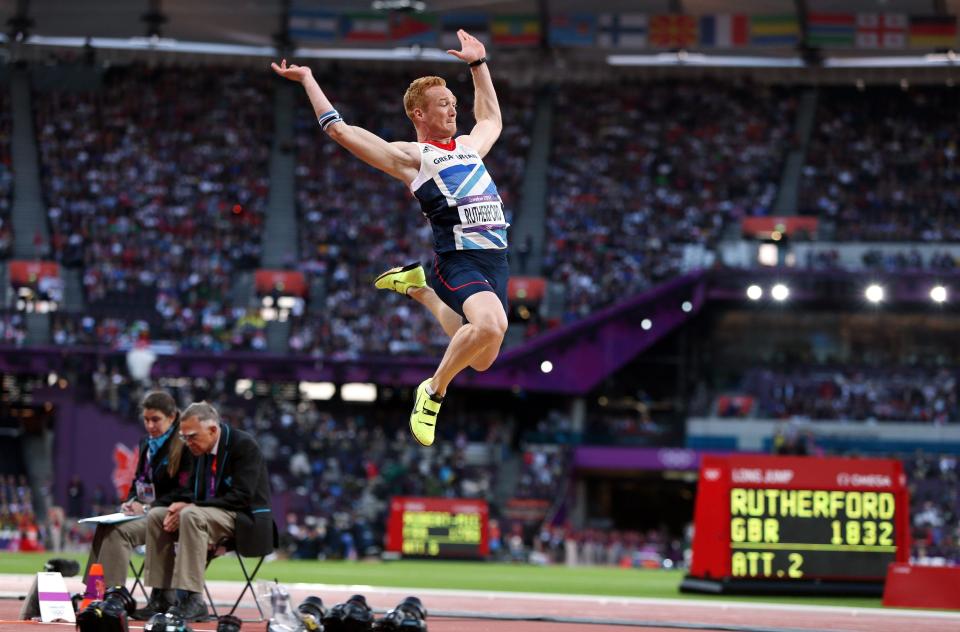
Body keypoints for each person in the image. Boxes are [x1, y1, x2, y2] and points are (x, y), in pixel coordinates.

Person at [272, 29, 509, 447]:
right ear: (418, 113)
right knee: (491, 325)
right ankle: (432, 392)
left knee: (483, 356)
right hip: (459, 259)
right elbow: (340, 131)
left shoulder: (470, 146)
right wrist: (309, 80)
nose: (453, 110)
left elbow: (491, 118)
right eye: (443, 105)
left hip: (496, 260)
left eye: (454, 104)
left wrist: (478, 64)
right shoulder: (413, 158)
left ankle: (421, 290)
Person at [138, 402, 272, 621]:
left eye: (191, 436)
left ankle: (192, 599)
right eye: (184, 437)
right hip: (209, 514)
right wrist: (180, 503)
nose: (187, 442)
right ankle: (161, 595)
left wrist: (192, 507)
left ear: (212, 430)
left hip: (244, 517)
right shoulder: (200, 448)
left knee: (190, 515)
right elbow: (192, 492)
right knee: (157, 516)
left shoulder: (243, 445)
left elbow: (241, 496)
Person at [83, 391, 192, 590]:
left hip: (169, 516)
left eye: (156, 420)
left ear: (172, 417)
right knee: (104, 527)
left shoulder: (184, 445)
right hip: (147, 512)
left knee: (118, 532)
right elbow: (138, 480)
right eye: (146, 419)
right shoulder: (146, 443)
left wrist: (148, 507)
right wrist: (131, 500)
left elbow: (184, 491)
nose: (150, 425)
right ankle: (93, 591)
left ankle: (111, 594)